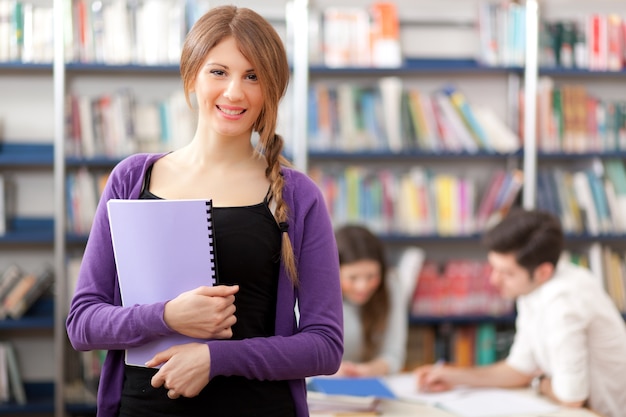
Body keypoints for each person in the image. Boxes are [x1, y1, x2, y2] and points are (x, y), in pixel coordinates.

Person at [65, 6, 343, 417]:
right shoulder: (133, 179)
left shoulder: (299, 195)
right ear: (191, 74)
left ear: (272, 88)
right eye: (219, 72)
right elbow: (83, 323)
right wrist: (167, 316)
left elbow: (325, 346)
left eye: (253, 76)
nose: (234, 92)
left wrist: (215, 359)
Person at [414, 208, 626, 417]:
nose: (494, 280)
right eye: (494, 268)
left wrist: (538, 383)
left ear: (543, 272)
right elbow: (519, 368)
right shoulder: (531, 287)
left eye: (506, 273)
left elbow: (572, 397)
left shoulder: (564, 303)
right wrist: (455, 376)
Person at [334, 224, 407, 377]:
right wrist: (329, 371)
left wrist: (369, 370)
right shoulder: (314, 292)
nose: (362, 287)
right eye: (352, 278)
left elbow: (394, 354)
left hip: (370, 380)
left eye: (371, 276)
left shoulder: (391, 284)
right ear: (334, 272)